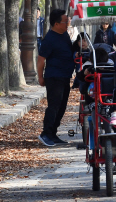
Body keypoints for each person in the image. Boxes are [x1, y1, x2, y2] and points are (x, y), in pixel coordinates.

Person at [37, 9, 74, 147]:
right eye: (65, 21)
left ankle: (53, 133)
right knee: (54, 105)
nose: (67, 24)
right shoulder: (50, 38)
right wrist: (40, 77)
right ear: (57, 23)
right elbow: (41, 60)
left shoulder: (64, 35)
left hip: (65, 76)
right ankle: (45, 133)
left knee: (62, 106)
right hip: (54, 77)